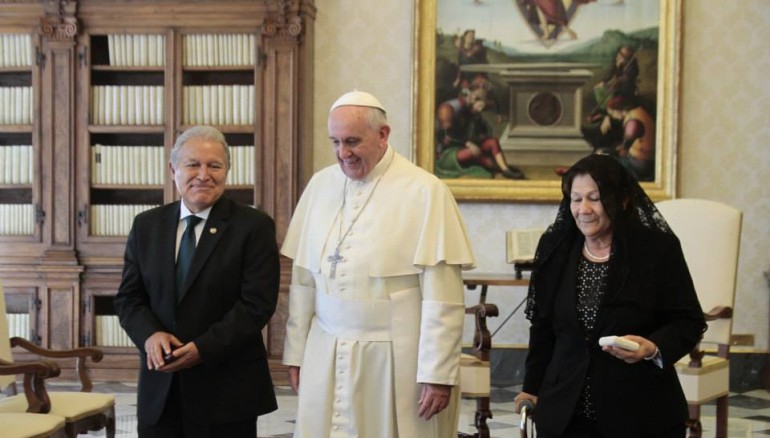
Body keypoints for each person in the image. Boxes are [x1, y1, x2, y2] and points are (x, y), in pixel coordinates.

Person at [282, 90, 476, 437]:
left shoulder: (425, 191)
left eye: (352, 141)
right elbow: (304, 282)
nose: (343, 153)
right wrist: (296, 353)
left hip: (395, 357)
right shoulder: (320, 186)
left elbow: (443, 297)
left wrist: (437, 374)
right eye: (335, 142)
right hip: (325, 350)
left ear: (383, 134)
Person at [513, 154, 706, 438]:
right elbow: (543, 326)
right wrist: (531, 387)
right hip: (564, 410)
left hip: (640, 412)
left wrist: (652, 348)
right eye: (576, 199)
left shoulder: (656, 249)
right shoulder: (556, 247)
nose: (584, 209)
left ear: (622, 200)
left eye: (595, 198)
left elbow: (688, 321)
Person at [114, 126, 280, 438]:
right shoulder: (147, 225)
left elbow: (256, 304)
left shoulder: (254, 226)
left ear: (227, 171)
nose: (203, 175)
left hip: (226, 393)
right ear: (172, 170)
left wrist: (202, 349)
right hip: (160, 391)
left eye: (214, 166)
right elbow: (129, 298)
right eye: (193, 164)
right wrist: (149, 335)